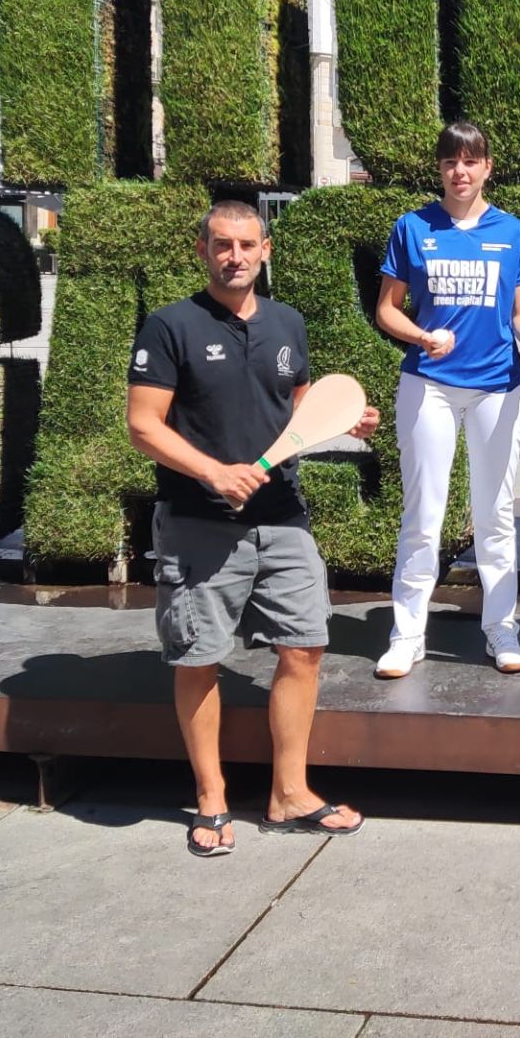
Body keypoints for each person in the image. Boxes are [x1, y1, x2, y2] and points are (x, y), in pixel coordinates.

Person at [126, 200, 381, 858]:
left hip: (282, 517)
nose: (233, 255)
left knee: (305, 647)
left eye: (246, 244)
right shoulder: (169, 326)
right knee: (200, 657)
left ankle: (289, 793)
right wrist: (213, 472)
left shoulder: (288, 323)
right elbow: (144, 426)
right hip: (198, 523)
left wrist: (344, 420)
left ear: (265, 250)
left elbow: (297, 407)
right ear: (202, 250)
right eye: (221, 244)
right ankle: (210, 797)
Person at [374, 120, 520, 679]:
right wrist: (421, 336)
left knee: (495, 514)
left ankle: (501, 627)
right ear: (440, 169)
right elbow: (387, 310)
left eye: (470, 162)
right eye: (450, 162)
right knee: (423, 514)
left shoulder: (513, 232)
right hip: (429, 385)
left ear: (487, 168)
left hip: (498, 385)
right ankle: (407, 634)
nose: (460, 172)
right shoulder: (413, 227)